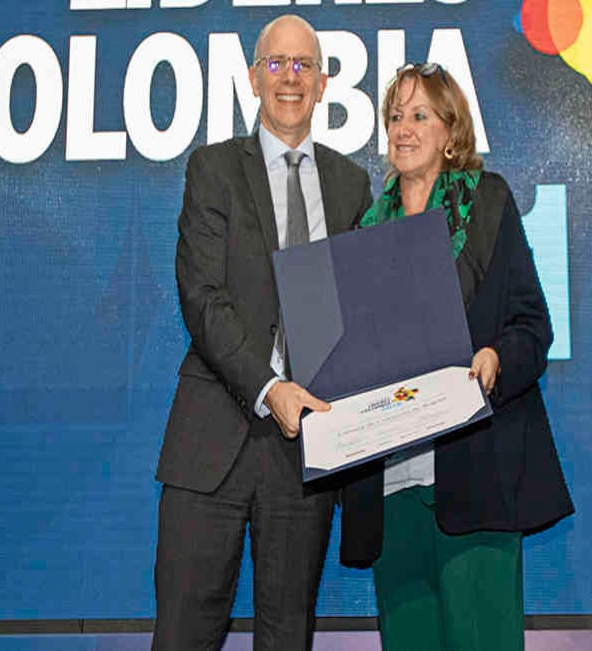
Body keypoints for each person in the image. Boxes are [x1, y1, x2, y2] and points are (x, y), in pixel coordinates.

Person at [152, 14, 372, 651]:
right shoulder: (213, 169)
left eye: (304, 65)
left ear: (324, 83)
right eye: (276, 64)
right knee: (184, 634)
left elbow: (357, 313)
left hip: (305, 453)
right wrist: (270, 387)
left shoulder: (351, 184)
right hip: (210, 441)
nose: (290, 78)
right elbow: (202, 298)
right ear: (254, 77)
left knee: (287, 637)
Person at [338, 63, 575, 651]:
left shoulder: (489, 202)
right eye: (394, 116)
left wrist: (496, 355)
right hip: (391, 495)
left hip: (478, 480)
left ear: (451, 130)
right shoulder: (361, 231)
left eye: (420, 115)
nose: (403, 129)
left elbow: (532, 326)